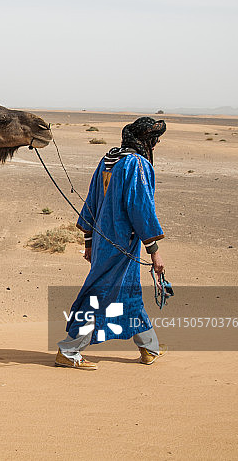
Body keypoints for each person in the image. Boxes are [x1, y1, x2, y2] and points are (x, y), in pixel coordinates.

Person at [55, 117, 168, 370]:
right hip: (121, 244)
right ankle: (69, 350)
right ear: (145, 140)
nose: (156, 144)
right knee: (101, 294)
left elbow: (91, 203)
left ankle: (150, 348)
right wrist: (155, 253)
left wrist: (89, 243)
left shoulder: (109, 160)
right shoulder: (136, 164)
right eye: (154, 140)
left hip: (103, 242)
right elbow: (141, 210)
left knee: (128, 292)